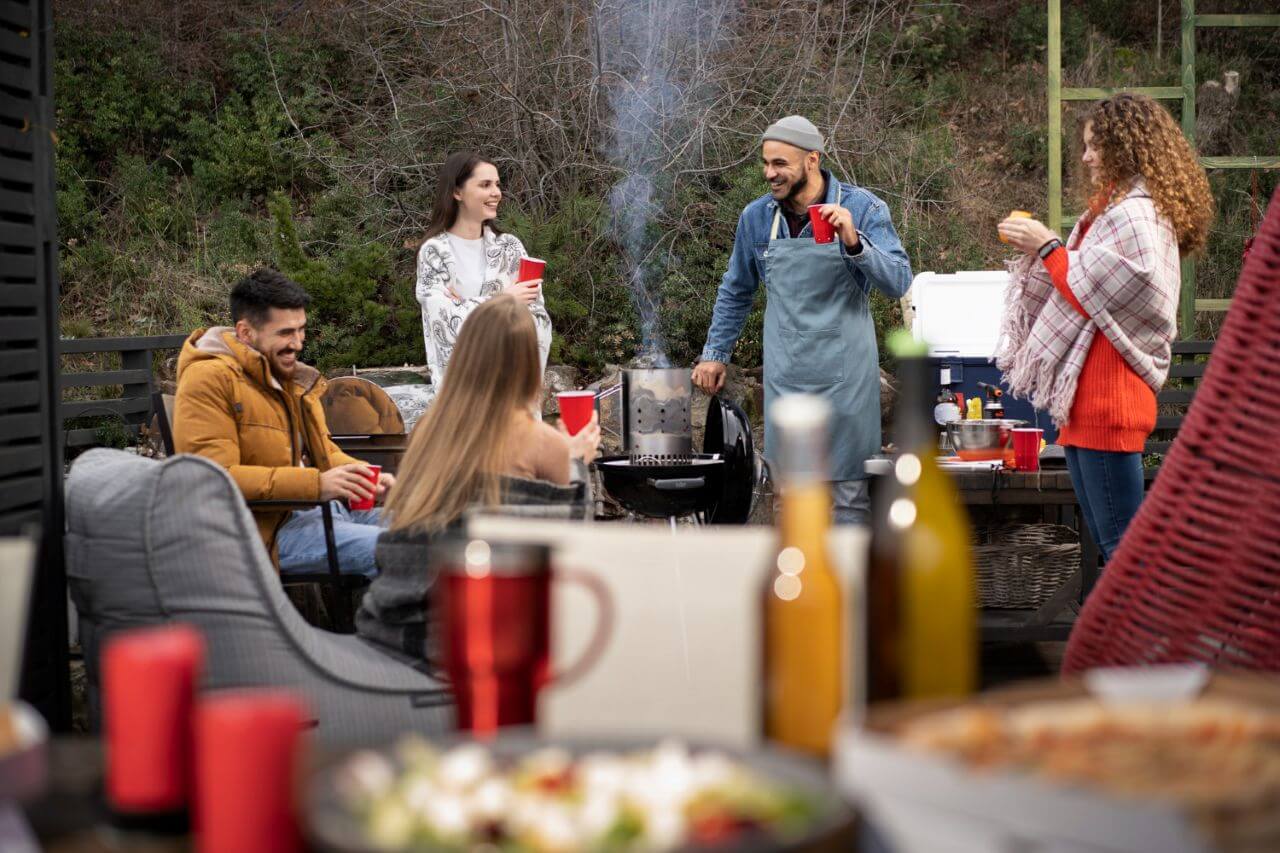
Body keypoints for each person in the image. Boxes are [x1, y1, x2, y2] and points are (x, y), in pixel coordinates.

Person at [996, 93, 1213, 562]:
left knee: (1124, 554)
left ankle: (1148, 637)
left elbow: (1108, 288)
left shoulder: (1136, 214)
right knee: (1112, 544)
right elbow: (1095, 282)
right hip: (1086, 400)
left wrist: (1049, 246)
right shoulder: (1118, 210)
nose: (1086, 156)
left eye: (1096, 146)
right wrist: (1052, 250)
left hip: (1107, 401)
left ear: (1126, 147)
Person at [357, 294, 600, 665]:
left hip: (395, 622)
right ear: (527, 364)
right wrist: (577, 462)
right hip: (478, 636)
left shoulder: (427, 429)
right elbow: (573, 548)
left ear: (465, 356)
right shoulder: (542, 442)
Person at [692, 115, 913, 524]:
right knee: (790, 498)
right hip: (788, 377)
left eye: (780, 164)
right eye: (766, 163)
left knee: (847, 497)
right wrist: (715, 353)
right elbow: (736, 289)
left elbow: (899, 281)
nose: (769, 173)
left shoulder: (863, 208)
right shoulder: (757, 218)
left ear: (812, 160)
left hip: (847, 380)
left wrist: (854, 239)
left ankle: (848, 588)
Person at [173, 269, 394, 576]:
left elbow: (323, 452)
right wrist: (316, 486)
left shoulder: (286, 374)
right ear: (245, 332)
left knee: (432, 532)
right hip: (264, 534)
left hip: (323, 513)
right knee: (398, 552)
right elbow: (214, 478)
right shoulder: (208, 379)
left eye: (301, 330)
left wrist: (358, 477)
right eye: (286, 333)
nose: (298, 343)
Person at [416, 151, 553, 388]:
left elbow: (537, 321)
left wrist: (467, 305)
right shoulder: (434, 253)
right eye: (485, 185)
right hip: (463, 395)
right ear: (457, 192)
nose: (496, 193)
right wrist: (504, 300)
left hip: (512, 392)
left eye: (497, 185)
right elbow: (445, 325)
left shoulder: (509, 248)